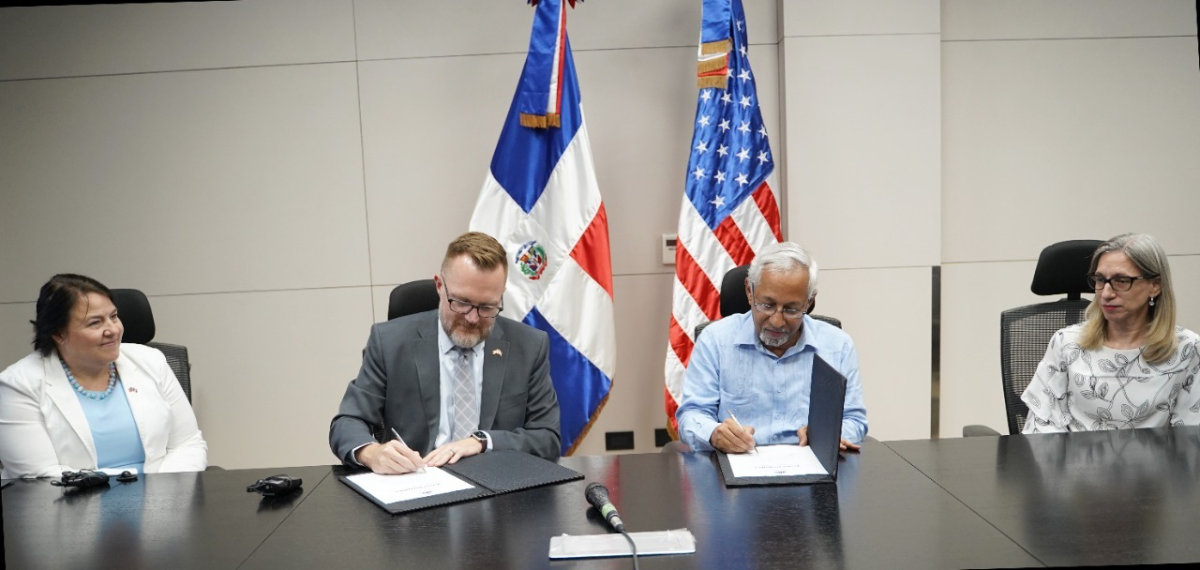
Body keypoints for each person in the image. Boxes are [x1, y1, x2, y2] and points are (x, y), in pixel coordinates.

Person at [329, 232, 560, 473]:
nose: (472, 318)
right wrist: (372, 452)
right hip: (418, 486)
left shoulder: (529, 346)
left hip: (499, 491)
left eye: (487, 306)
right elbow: (347, 422)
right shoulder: (389, 343)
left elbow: (547, 439)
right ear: (440, 286)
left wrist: (483, 442)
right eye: (461, 302)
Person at [0, 274, 207, 478]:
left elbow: (187, 444)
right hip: (70, 506)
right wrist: (134, 485)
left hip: (162, 500)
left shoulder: (151, 361)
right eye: (95, 323)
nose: (113, 330)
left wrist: (160, 495)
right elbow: (38, 474)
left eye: (114, 316)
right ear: (59, 334)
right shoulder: (18, 385)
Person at [676, 242, 868, 454]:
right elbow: (692, 415)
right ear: (750, 292)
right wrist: (715, 433)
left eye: (791, 309)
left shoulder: (837, 346)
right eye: (767, 305)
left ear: (809, 302)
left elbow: (854, 419)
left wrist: (831, 434)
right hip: (735, 469)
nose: (777, 321)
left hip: (812, 469)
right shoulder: (715, 341)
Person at [1022, 233, 1200, 432]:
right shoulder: (1067, 343)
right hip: (1076, 462)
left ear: (1155, 286)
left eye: (1121, 281)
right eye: (1100, 280)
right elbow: (1042, 426)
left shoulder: (1188, 349)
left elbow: (1190, 437)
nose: (1106, 293)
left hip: (1157, 463)